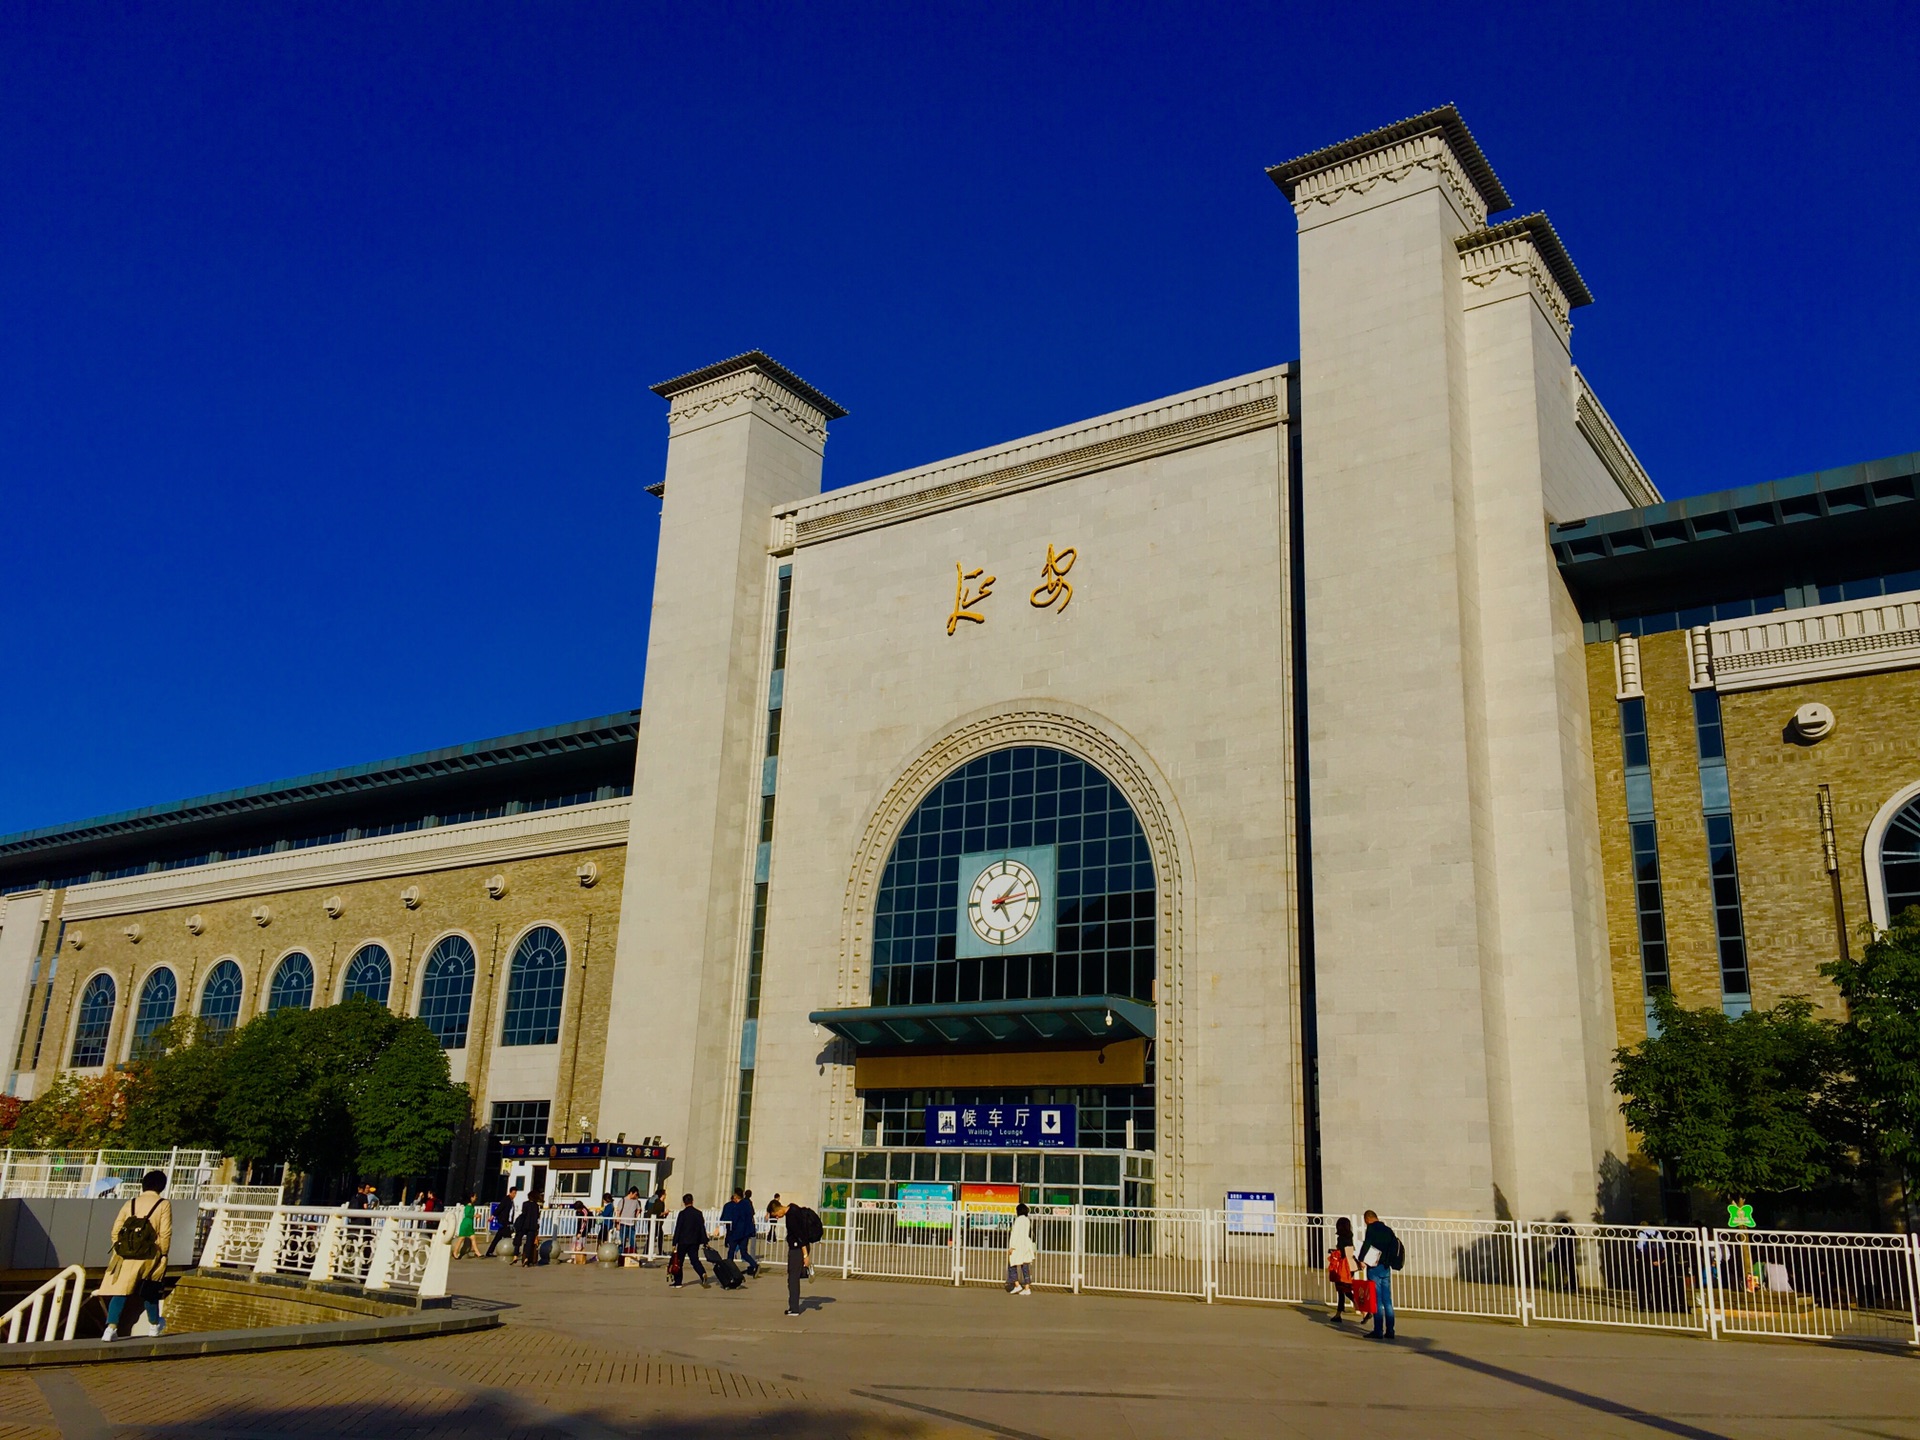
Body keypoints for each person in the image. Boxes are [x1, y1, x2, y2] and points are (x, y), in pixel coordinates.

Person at [98, 1170, 172, 1341]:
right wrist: (163, 1254)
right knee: (149, 1288)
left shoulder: (130, 1202)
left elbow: (116, 1229)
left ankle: (110, 1328)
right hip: (149, 1252)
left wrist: (122, 1246)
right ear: (161, 1186)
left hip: (125, 1254)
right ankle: (154, 1325)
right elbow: (165, 1232)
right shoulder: (163, 1204)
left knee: (120, 1290)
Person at [775, 1199, 824, 1318]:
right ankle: (805, 1271)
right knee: (794, 1274)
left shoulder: (791, 1217)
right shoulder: (793, 1208)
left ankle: (794, 1308)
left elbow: (800, 1236)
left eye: (775, 1215)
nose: (776, 1217)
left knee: (792, 1278)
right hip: (801, 1247)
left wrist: (806, 1256)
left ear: (777, 1209)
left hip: (797, 1249)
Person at [1359, 1210, 1400, 1340]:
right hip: (1386, 1267)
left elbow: (1367, 1244)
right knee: (1387, 1300)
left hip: (1374, 1267)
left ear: (1368, 1219)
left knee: (1376, 1301)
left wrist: (1361, 1259)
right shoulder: (1388, 1230)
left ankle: (1378, 1330)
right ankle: (1390, 1330)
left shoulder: (1371, 1229)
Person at [720, 1187, 761, 1277]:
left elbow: (732, 1220)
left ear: (735, 1196)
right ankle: (754, 1265)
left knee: (731, 1251)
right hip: (745, 1233)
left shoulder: (736, 1206)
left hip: (736, 1233)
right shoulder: (747, 1204)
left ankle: (729, 1269)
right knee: (744, 1252)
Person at [671, 1193, 710, 1288]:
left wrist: (674, 1242)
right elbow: (702, 1228)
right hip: (694, 1242)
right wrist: (705, 1241)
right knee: (695, 1260)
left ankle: (678, 1282)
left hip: (683, 1241)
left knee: (679, 1261)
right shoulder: (698, 1213)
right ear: (692, 1201)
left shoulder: (682, 1214)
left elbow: (678, 1228)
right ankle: (702, 1273)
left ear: (684, 1202)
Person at [1326, 1215, 1359, 1323]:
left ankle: (1360, 1307)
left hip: (1343, 1267)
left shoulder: (1341, 1238)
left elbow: (1342, 1253)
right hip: (1351, 1265)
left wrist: (1333, 1252)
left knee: (1343, 1289)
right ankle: (1339, 1313)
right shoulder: (1350, 1236)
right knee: (1344, 1289)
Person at [1006, 1202, 1036, 1295]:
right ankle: (1027, 1288)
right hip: (1026, 1245)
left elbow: (1015, 1234)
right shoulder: (1027, 1220)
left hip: (1017, 1245)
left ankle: (1017, 1284)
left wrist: (1012, 1246)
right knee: (1025, 1266)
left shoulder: (1018, 1220)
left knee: (1012, 1265)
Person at [485, 1188, 519, 1258]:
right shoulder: (506, 1199)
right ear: (510, 1192)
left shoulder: (511, 1201)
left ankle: (489, 1251)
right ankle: (514, 1251)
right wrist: (493, 1216)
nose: (514, 1195)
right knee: (508, 1236)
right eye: (513, 1193)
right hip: (504, 1221)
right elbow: (499, 1208)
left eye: (515, 1193)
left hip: (507, 1221)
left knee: (498, 1237)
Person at [513, 1191, 543, 1266]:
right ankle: (526, 1258)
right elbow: (537, 1217)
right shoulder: (536, 1206)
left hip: (524, 1225)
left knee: (518, 1239)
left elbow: (524, 1213)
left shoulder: (525, 1204)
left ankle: (515, 1256)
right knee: (529, 1243)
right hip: (532, 1226)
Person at [450, 1194, 479, 1259]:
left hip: (469, 1223)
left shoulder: (472, 1205)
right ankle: (455, 1252)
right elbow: (467, 1214)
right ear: (471, 1197)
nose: (476, 1198)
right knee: (461, 1238)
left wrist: (475, 1215)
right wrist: (475, 1216)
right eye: (475, 1196)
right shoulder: (468, 1206)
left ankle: (477, 1252)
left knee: (473, 1238)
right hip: (466, 1223)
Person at [616, 1187, 641, 1253]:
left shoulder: (636, 1201)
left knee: (633, 1241)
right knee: (622, 1241)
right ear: (631, 1193)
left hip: (631, 1224)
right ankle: (620, 1256)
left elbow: (639, 1209)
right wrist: (618, 1223)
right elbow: (618, 1212)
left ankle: (634, 1255)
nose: (635, 1196)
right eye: (635, 1194)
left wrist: (635, 1217)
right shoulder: (623, 1200)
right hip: (623, 1223)